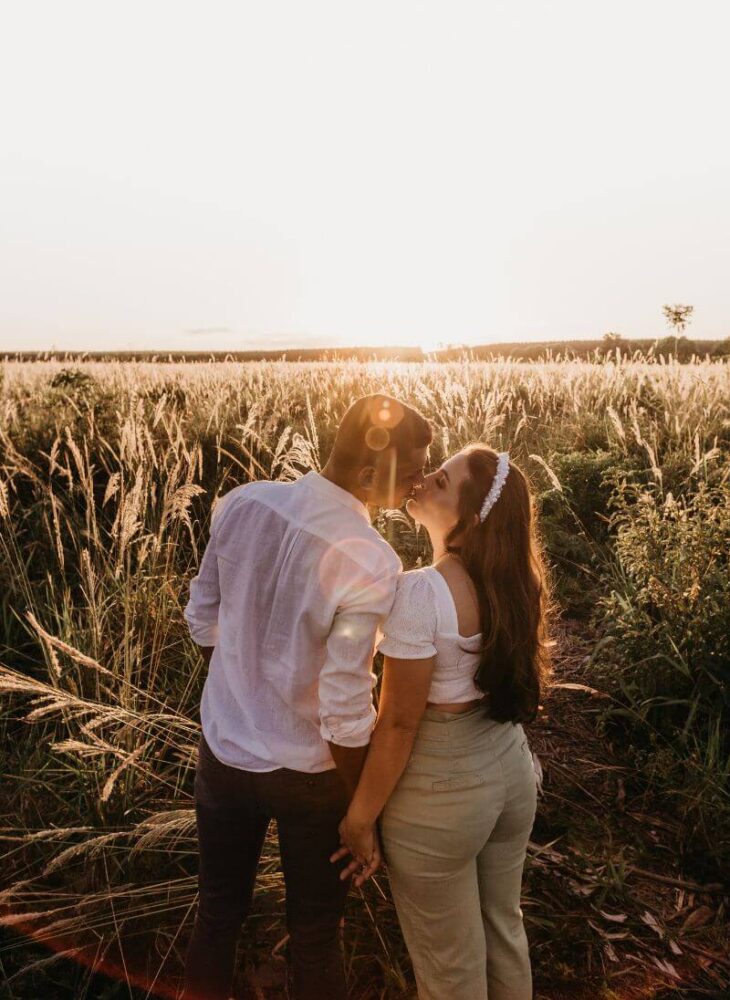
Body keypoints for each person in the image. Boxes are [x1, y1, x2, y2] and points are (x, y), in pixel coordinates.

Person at [181, 394, 431, 1000]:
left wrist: (246, 687)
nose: (423, 480)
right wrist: (358, 811)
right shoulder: (370, 558)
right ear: (369, 475)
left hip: (224, 753)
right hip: (312, 777)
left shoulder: (242, 502)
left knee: (217, 912)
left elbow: (200, 618)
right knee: (316, 934)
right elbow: (345, 707)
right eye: (414, 469)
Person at [333, 444, 553, 1000]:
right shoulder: (514, 583)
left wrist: (359, 818)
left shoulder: (421, 593)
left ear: (471, 519)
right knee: (504, 930)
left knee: (450, 969)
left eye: (442, 480)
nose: (424, 479)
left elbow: (399, 725)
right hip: (509, 773)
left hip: (443, 795)